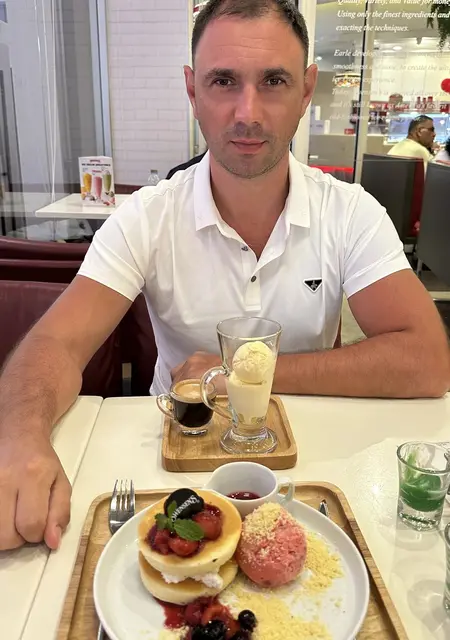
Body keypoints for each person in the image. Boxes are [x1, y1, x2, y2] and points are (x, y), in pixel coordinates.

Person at [0, 0, 448, 552]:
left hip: (311, 476)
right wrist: (19, 438)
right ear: (193, 90)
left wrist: (236, 375)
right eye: (223, 81)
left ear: (306, 90)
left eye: (274, 81)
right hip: (169, 472)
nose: (247, 112)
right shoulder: (148, 216)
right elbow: (55, 344)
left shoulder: (350, 213)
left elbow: (427, 360)